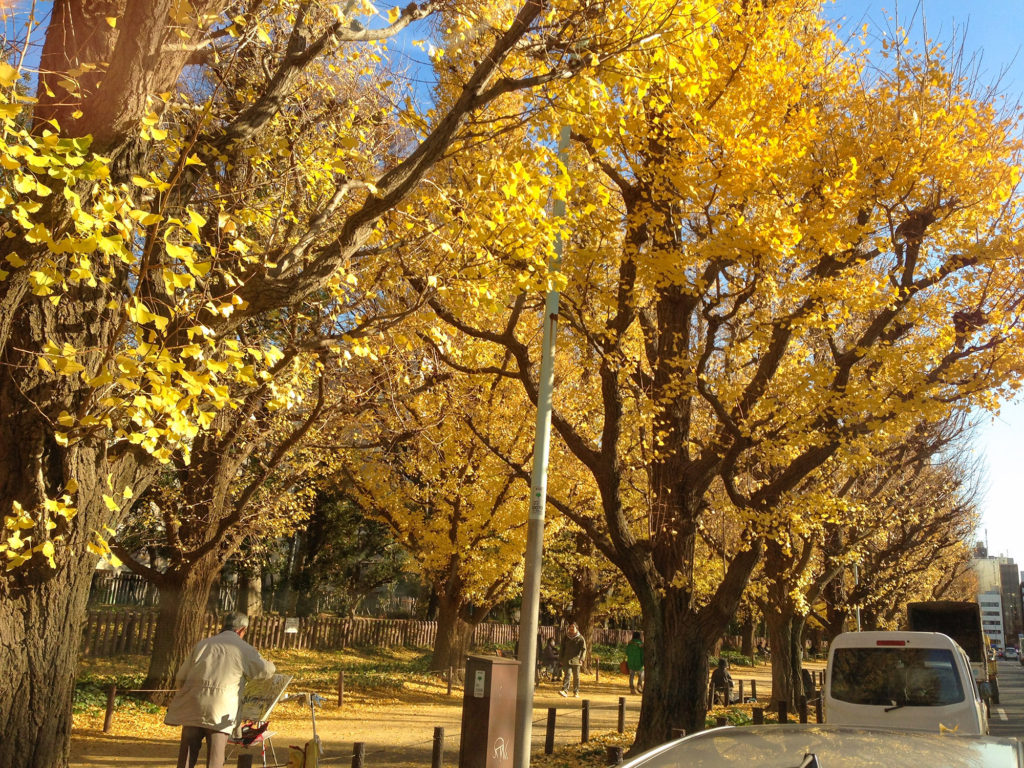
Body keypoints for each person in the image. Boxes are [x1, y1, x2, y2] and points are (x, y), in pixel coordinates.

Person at [165, 612, 276, 768]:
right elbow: (265, 670)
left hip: (193, 706)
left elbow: (180, 677)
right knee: (215, 759)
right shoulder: (243, 648)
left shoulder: (203, 644)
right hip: (220, 710)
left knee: (186, 758)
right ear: (242, 630)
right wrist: (271, 664)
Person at [558, 622, 586, 698]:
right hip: (566, 659)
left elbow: (584, 649)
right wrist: (561, 659)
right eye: (570, 627)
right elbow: (562, 648)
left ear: (576, 628)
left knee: (576, 677)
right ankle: (564, 690)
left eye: (573, 627)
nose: (571, 628)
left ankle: (576, 691)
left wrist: (581, 659)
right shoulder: (565, 637)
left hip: (576, 660)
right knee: (567, 674)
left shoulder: (580, 638)